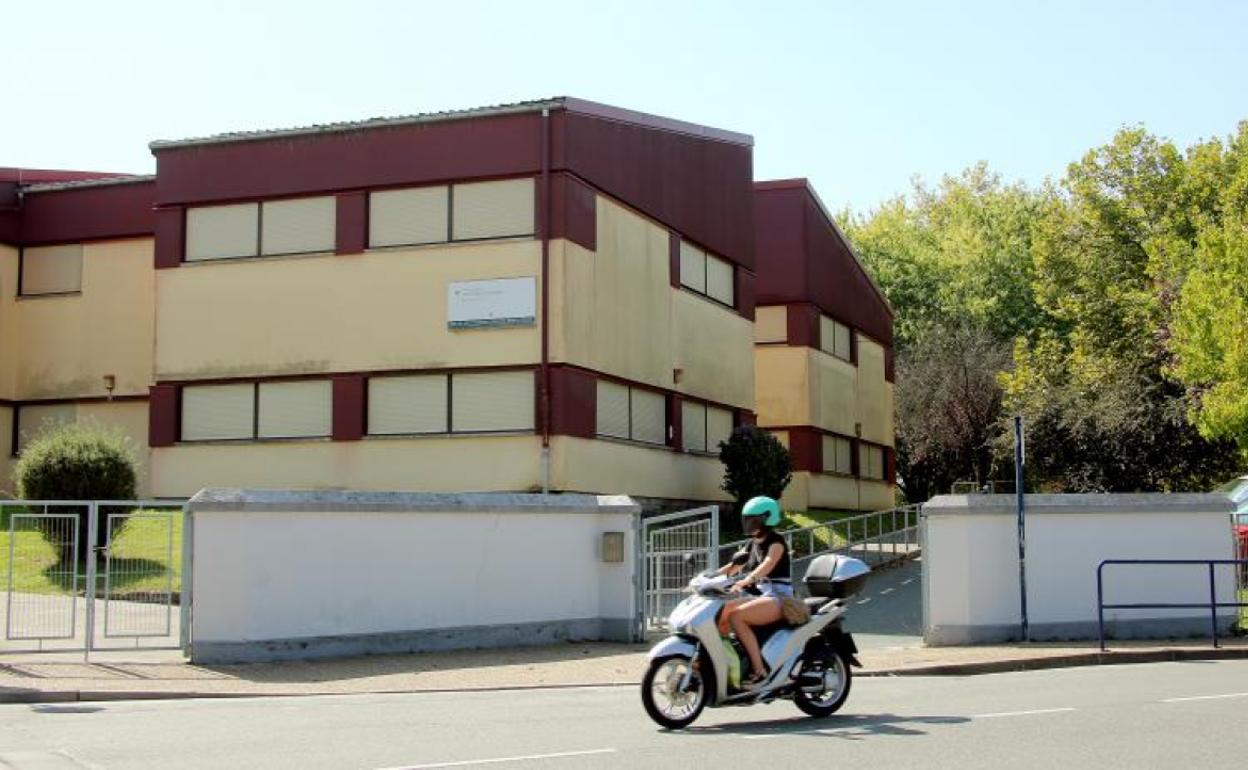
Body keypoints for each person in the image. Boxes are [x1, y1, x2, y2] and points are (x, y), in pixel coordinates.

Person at [716, 495, 791, 688]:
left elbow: (768, 564)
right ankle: (732, 664)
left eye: (754, 520)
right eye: (747, 520)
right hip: (759, 595)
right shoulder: (753, 543)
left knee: (737, 617)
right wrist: (706, 579)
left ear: (767, 519)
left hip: (778, 597)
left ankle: (759, 672)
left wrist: (748, 580)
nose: (749, 524)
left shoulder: (776, 542)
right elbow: (733, 566)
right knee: (721, 613)